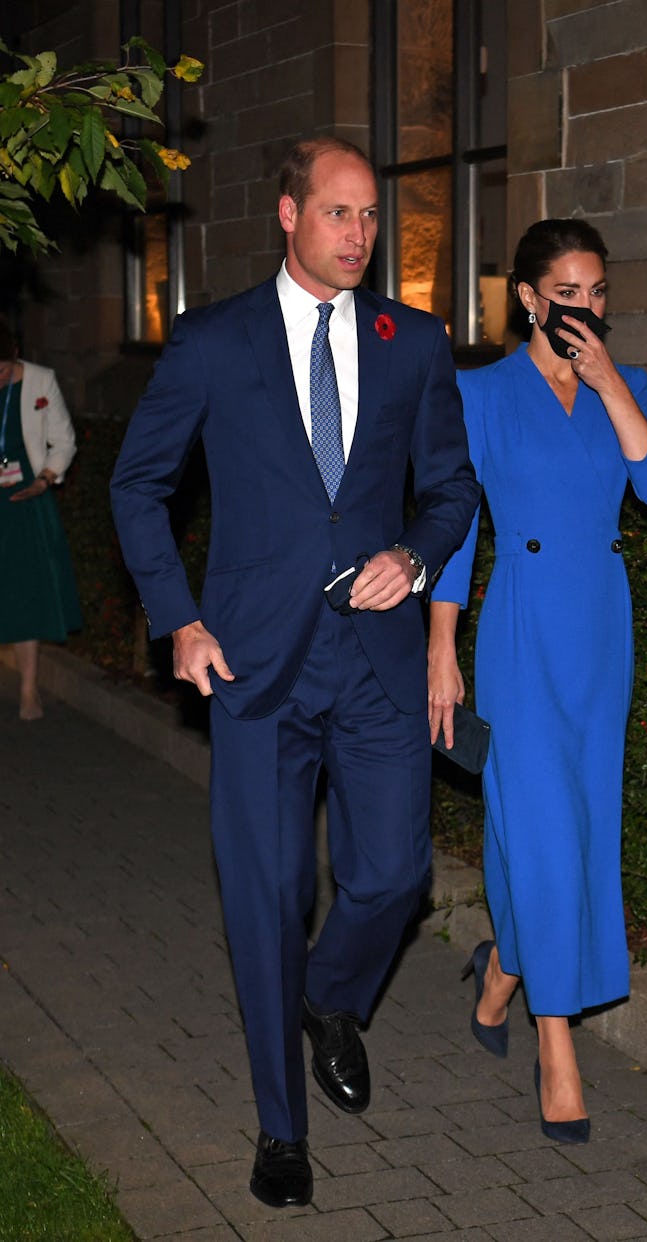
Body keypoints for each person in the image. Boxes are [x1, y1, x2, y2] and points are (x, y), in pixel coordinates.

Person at [110, 137, 479, 1208]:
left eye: (371, 217)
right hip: (251, 667)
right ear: (288, 214)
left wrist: (412, 557)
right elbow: (138, 488)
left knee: (394, 878)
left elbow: (451, 489)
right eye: (340, 214)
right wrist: (176, 620)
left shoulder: (413, 342)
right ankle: (282, 1129)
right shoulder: (214, 342)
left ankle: (326, 996)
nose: (361, 235)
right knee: (267, 898)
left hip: (374, 663)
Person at [427, 218, 647, 1143]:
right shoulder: (480, 393)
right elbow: (453, 531)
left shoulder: (630, 387)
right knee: (536, 824)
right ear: (530, 299)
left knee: (572, 825)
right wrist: (439, 649)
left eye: (599, 292)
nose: (587, 308)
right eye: (568, 293)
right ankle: (558, 1048)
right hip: (523, 630)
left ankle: (502, 969)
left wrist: (613, 383)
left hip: (600, 630)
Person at [0, 319, 82, 720]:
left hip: (25, 500)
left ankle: (29, 690)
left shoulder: (40, 381)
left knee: (24, 594)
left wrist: (46, 479)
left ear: (13, 356)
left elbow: (64, 439)